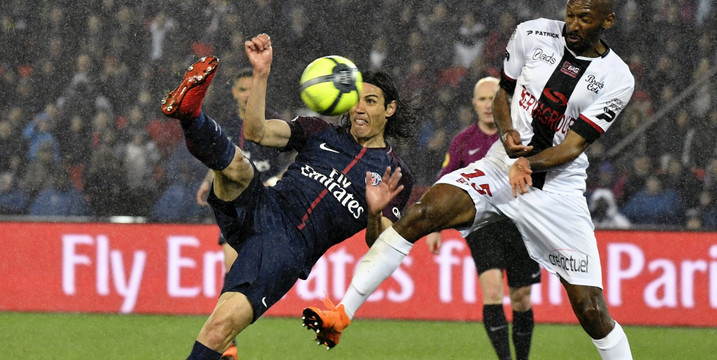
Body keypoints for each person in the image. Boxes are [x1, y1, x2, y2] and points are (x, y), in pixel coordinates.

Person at [303, 1, 635, 359]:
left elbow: (573, 146)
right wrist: (507, 133)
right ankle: (341, 314)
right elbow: (503, 93)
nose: (572, 24)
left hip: (556, 188)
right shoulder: (532, 33)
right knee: (421, 214)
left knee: (590, 310)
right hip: (499, 167)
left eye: (584, 18)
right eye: (570, 13)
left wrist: (527, 164)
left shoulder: (618, 78)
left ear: (608, 21)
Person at [159, 33, 418, 360]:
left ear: (390, 109)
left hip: (287, 246)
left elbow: (377, 244)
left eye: (371, 101)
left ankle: (192, 119)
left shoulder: (395, 174)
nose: (360, 108)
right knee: (238, 165)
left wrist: (374, 212)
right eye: (356, 99)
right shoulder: (318, 131)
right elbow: (257, 132)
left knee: (218, 328)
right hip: (265, 206)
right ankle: (190, 115)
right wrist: (261, 73)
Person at [425, 77, 539, 360]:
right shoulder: (463, 141)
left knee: (521, 298)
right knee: (492, 290)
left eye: (494, 99)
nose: (489, 105)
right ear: (474, 104)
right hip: (483, 224)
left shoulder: (520, 137)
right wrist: (434, 227)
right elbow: (444, 184)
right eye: (483, 99)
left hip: (521, 224)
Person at [192, 67, 289, 359]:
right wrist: (207, 181)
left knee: (257, 277)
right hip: (237, 204)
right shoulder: (227, 126)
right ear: (234, 92)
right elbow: (219, 157)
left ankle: (227, 330)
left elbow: (295, 157)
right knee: (232, 271)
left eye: (252, 89)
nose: (247, 95)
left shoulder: (271, 122)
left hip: (269, 204)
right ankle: (227, 343)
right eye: (242, 89)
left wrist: (279, 179)